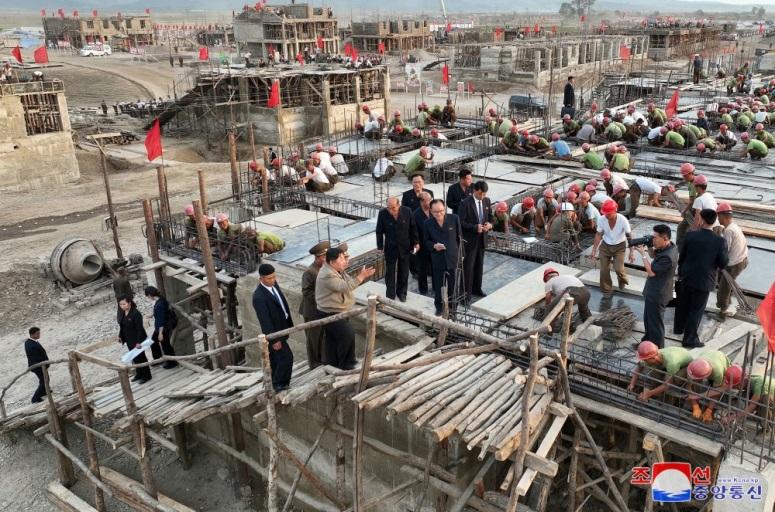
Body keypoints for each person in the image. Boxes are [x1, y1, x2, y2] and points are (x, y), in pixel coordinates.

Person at [675, 209, 729, 348]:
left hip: (687, 276)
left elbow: (682, 256)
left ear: (702, 220)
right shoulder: (720, 241)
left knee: (683, 304)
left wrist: (681, 272)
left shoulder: (690, 235)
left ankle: (679, 329)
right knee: (696, 310)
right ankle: (689, 339)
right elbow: (723, 263)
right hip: (705, 280)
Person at [315, 247, 375, 369]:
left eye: (344, 258)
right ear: (332, 262)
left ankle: (332, 364)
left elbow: (348, 281)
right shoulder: (326, 274)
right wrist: (361, 276)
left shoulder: (336, 270)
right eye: (341, 259)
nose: (345, 261)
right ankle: (347, 364)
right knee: (347, 334)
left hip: (338, 310)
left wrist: (357, 274)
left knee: (333, 339)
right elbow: (344, 287)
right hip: (330, 312)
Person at [631, 225, 677, 348]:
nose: (653, 239)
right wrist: (649, 246)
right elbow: (654, 256)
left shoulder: (668, 256)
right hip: (653, 291)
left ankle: (658, 349)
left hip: (658, 294)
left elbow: (651, 272)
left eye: (656, 238)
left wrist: (642, 254)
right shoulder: (668, 246)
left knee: (656, 324)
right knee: (648, 320)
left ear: (665, 237)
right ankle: (646, 344)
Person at [252, 264, 294, 390]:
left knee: (276, 359)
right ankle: (280, 384)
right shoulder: (259, 297)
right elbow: (265, 320)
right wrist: (274, 339)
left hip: (282, 327)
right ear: (261, 279)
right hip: (274, 333)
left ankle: (275, 382)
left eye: (274, 277)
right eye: (269, 278)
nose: (273, 280)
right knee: (286, 357)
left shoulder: (274, 285)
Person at [424, 199, 462, 315]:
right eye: (435, 212)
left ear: (445, 208)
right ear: (431, 211)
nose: (439, 214)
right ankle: (439, 307)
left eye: (441, 211)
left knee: (453, 285)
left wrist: (462, 256)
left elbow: (460, 238)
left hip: (453, 257)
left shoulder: (454, 219)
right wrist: (434, 246)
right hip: (438, 258)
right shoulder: (427, 223)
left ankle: (453, 307)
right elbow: (426, 241)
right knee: (439, 285)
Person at [376, 197, 419, 301]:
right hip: (390, 247)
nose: (391, 210)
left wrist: (416, 242)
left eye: (393, 208)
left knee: (404, 271)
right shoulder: (382, 214)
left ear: (399, 205)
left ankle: (402, 293)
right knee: (390, 272)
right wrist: (380, 246)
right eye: (389, 208)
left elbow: (413, 227)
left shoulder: (407, 211)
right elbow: (379, 231)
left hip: (405, 246)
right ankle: (390, 295)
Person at [459, 181, 493, 300]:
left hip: (482, 239)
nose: (482, 197)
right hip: (470, 240)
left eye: (484, 194)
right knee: (468, 268)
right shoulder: (465, 204)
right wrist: (474, 227)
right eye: (480, 194)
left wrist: (490, 225)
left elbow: (490, 217)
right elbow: (461, 222)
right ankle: (465, 295)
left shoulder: (487, 201)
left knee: (479, 266)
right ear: (474, 190)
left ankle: (476, 289)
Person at [590, 199, 633, 295]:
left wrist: (632, 252)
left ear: (615, 211)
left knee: (618, 268)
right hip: (605, 246)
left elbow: (629, 236)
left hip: (620, 246)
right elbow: (598, 235)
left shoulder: (623, 220)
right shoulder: (602, 219)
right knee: (604, 270)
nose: (607, 216)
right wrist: (593, 251)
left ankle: (622, 279)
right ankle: (607, 290)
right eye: (605, 214)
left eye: (609, 214)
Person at [628, 341, 692, 401]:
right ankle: (654, 391)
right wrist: (632, 384)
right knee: (651, 370)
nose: (644, 361)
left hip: (686, 365)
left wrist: (649, 394)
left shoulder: (672, 363)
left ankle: (657, 392)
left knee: (675, 379)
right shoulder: (654, 355)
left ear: (653, 358)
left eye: (645, 359)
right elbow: (639, 366)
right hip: (672, 357)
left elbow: (667, 384)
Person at [299, 241, 329, 368]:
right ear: (318, 257)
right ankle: (314, 364)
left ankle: (322, 360)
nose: (326, 260)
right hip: (312, 311)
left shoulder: (324, 269)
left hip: (321, 310)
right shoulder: (310, 272)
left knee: (323, 338)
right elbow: (306, 292)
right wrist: (322, 298)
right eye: (324, 258)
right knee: (313, 339)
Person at [716, 203, 748, 317]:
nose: (717, 219)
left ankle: (722, 311)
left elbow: (725, 251)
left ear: (724, 216)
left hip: (734, 264)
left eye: (718, 216)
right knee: (723, 281)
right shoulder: (734, 226)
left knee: (724, 288)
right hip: (742, 259)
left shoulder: (729, 231)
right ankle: (727, 303)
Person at [686, 350, 731, 422]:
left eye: (698, 379)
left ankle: (708, 410)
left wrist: (709, 410)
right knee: (695, 383)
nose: (695, 380)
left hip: (721, 358)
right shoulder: (693, 367)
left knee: (718, 385)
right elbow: (689, 386)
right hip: (707, 354)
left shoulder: (718, 372)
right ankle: (698, 405)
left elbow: (716, 391)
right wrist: (695, 405)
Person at [118, 296, 152, 383]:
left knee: (141, 357)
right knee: (134, 357)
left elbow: (139, 329)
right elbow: (122, 326)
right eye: (120, 304)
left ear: (129, 303)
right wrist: (120, 336)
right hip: (129, 339)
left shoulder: (135, 313)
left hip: (137, 339)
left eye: (124, 304)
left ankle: (147, 375)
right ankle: (139, 373)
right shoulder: (123, 313)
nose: (122, 306)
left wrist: (138, 342)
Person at [145, 286, 178, 369]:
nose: (148, 298)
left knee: (165, 344)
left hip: (163, 328)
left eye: (148, 296)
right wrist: (152, 315)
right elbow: (161, 313)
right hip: (163, 326)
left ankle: (172, 362)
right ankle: (159, 359)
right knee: (154, 342)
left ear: (150, 295)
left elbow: (161, 320)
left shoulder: (159, 304)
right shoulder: (161, 299)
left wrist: (160, 333)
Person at [413, 192, 434, 295]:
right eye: (428, 200)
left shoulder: (433, 211)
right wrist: (416, 243)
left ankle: (436, 287)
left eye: (431, 199)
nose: (430, 201)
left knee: (435, 267)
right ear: (422, 202)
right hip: (422, 246)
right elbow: (414, 231)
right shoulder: (416, 214)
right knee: (422, 269)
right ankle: (423, 289)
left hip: (433, 244)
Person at [24, 327, 48, 403]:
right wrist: (45, 365)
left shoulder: (29, 342)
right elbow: (37, 358)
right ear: (32, 334)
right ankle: (35, 398)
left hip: (37, 365)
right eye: (37, 333)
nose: (39, 335)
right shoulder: (32, 345)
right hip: (38, 366)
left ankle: (44, 391)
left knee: (45, 379)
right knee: (44, 381)